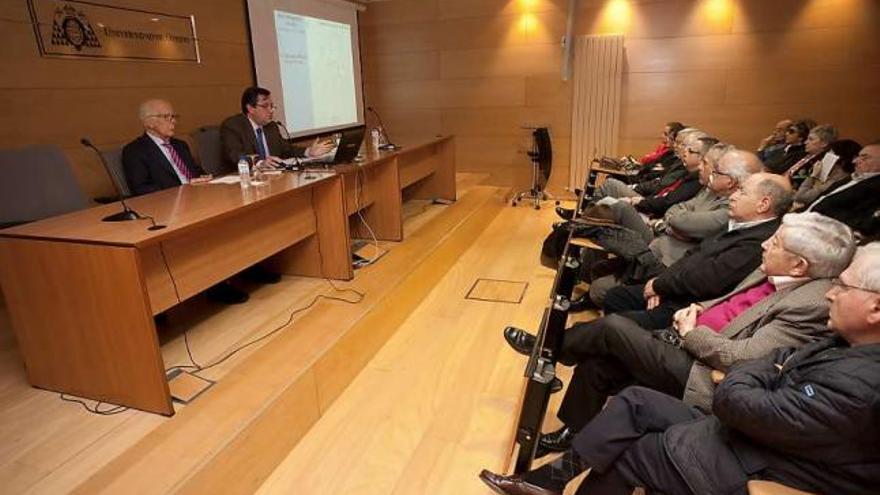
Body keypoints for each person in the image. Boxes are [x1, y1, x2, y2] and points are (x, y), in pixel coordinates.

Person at [480, 242, 880, 495]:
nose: (832, 291)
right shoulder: (843, 339)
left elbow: (743, 383)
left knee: (629, 440)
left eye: (844, 287)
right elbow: (766, 361)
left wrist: (742, 367)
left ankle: (548, 351)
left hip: (763, 451)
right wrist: (748, 361)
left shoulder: (857, 377)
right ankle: (547, 482)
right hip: (748, 411)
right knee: (633, 397)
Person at [511, 213, 855, 456]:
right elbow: (726, 301)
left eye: (776, 242)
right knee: (600, 361)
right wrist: (698, 309)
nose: (764, 244)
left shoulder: (811, 304)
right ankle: (573, 433)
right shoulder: (774, 270)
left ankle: (550, 351)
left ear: (799, 265)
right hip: (686, 338)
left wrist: (692, 332)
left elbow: (743, 359)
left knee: (614, 328)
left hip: (704, 374)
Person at [603, 170, 792, 329]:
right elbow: (693, 254)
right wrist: (660, 284)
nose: (733, 196)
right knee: (616, 297)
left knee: (614, 325)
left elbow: (708, 281)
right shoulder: (740, 222)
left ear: (763, 204)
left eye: (742, 192)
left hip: (689, 306)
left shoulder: (759, 240)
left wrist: (661, 287)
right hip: (674, 289)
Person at [219, 86, 333, 172]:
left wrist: (309, 152)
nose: (271, 110)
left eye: (272, 106)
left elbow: (286, 148)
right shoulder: (233, 126)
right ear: (250, 108)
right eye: (265, 106)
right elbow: (236, 156)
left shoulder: (271, 126)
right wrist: (260, 163)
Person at [122, 99, 210, 196]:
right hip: (168, 202)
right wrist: (184, 188)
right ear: (149, 123)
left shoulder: (180, 145)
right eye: (166, 117)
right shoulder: (135, 151)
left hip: (197, 195)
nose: (174, 121)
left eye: (173, 116)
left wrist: (204, 177)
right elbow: (141, 189)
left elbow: (196, 172)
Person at [804, 141, 880, 238]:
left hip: (821, 232)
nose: (855, 161)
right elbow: (820, 199)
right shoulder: (852, 177)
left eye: (865, 158)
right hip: (804, 218)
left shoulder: (875, 188)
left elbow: (858, 221)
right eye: (858, 156)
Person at [793, 138, 861, 208]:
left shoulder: (838, 179)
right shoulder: (829, 172)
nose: (825, 158)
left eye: (830, 154)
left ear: (840, 159)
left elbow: (801, 196)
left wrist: (812, 176)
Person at [782, 124, 837, 189]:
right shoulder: (804, 154)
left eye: (811, 139)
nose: (806, 142)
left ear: (824, 144)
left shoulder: (822, 163)